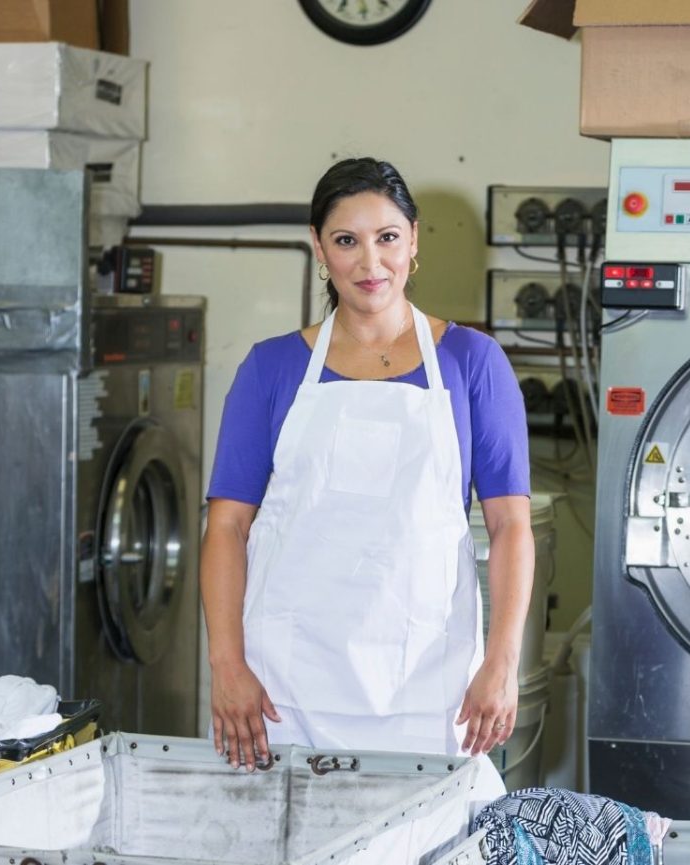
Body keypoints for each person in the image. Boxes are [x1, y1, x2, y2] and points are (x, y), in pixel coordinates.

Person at [200, 157, 532, 805]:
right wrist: (225, 662)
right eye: (346, 240)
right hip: (284, 686)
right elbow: (226, 527)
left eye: (386, 237)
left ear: (414, 241)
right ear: (319, 249)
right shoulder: (270, 368)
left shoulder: (472, 362)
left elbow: (510, 525)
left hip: (426, 684)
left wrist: (502, 661)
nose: (369, 261)